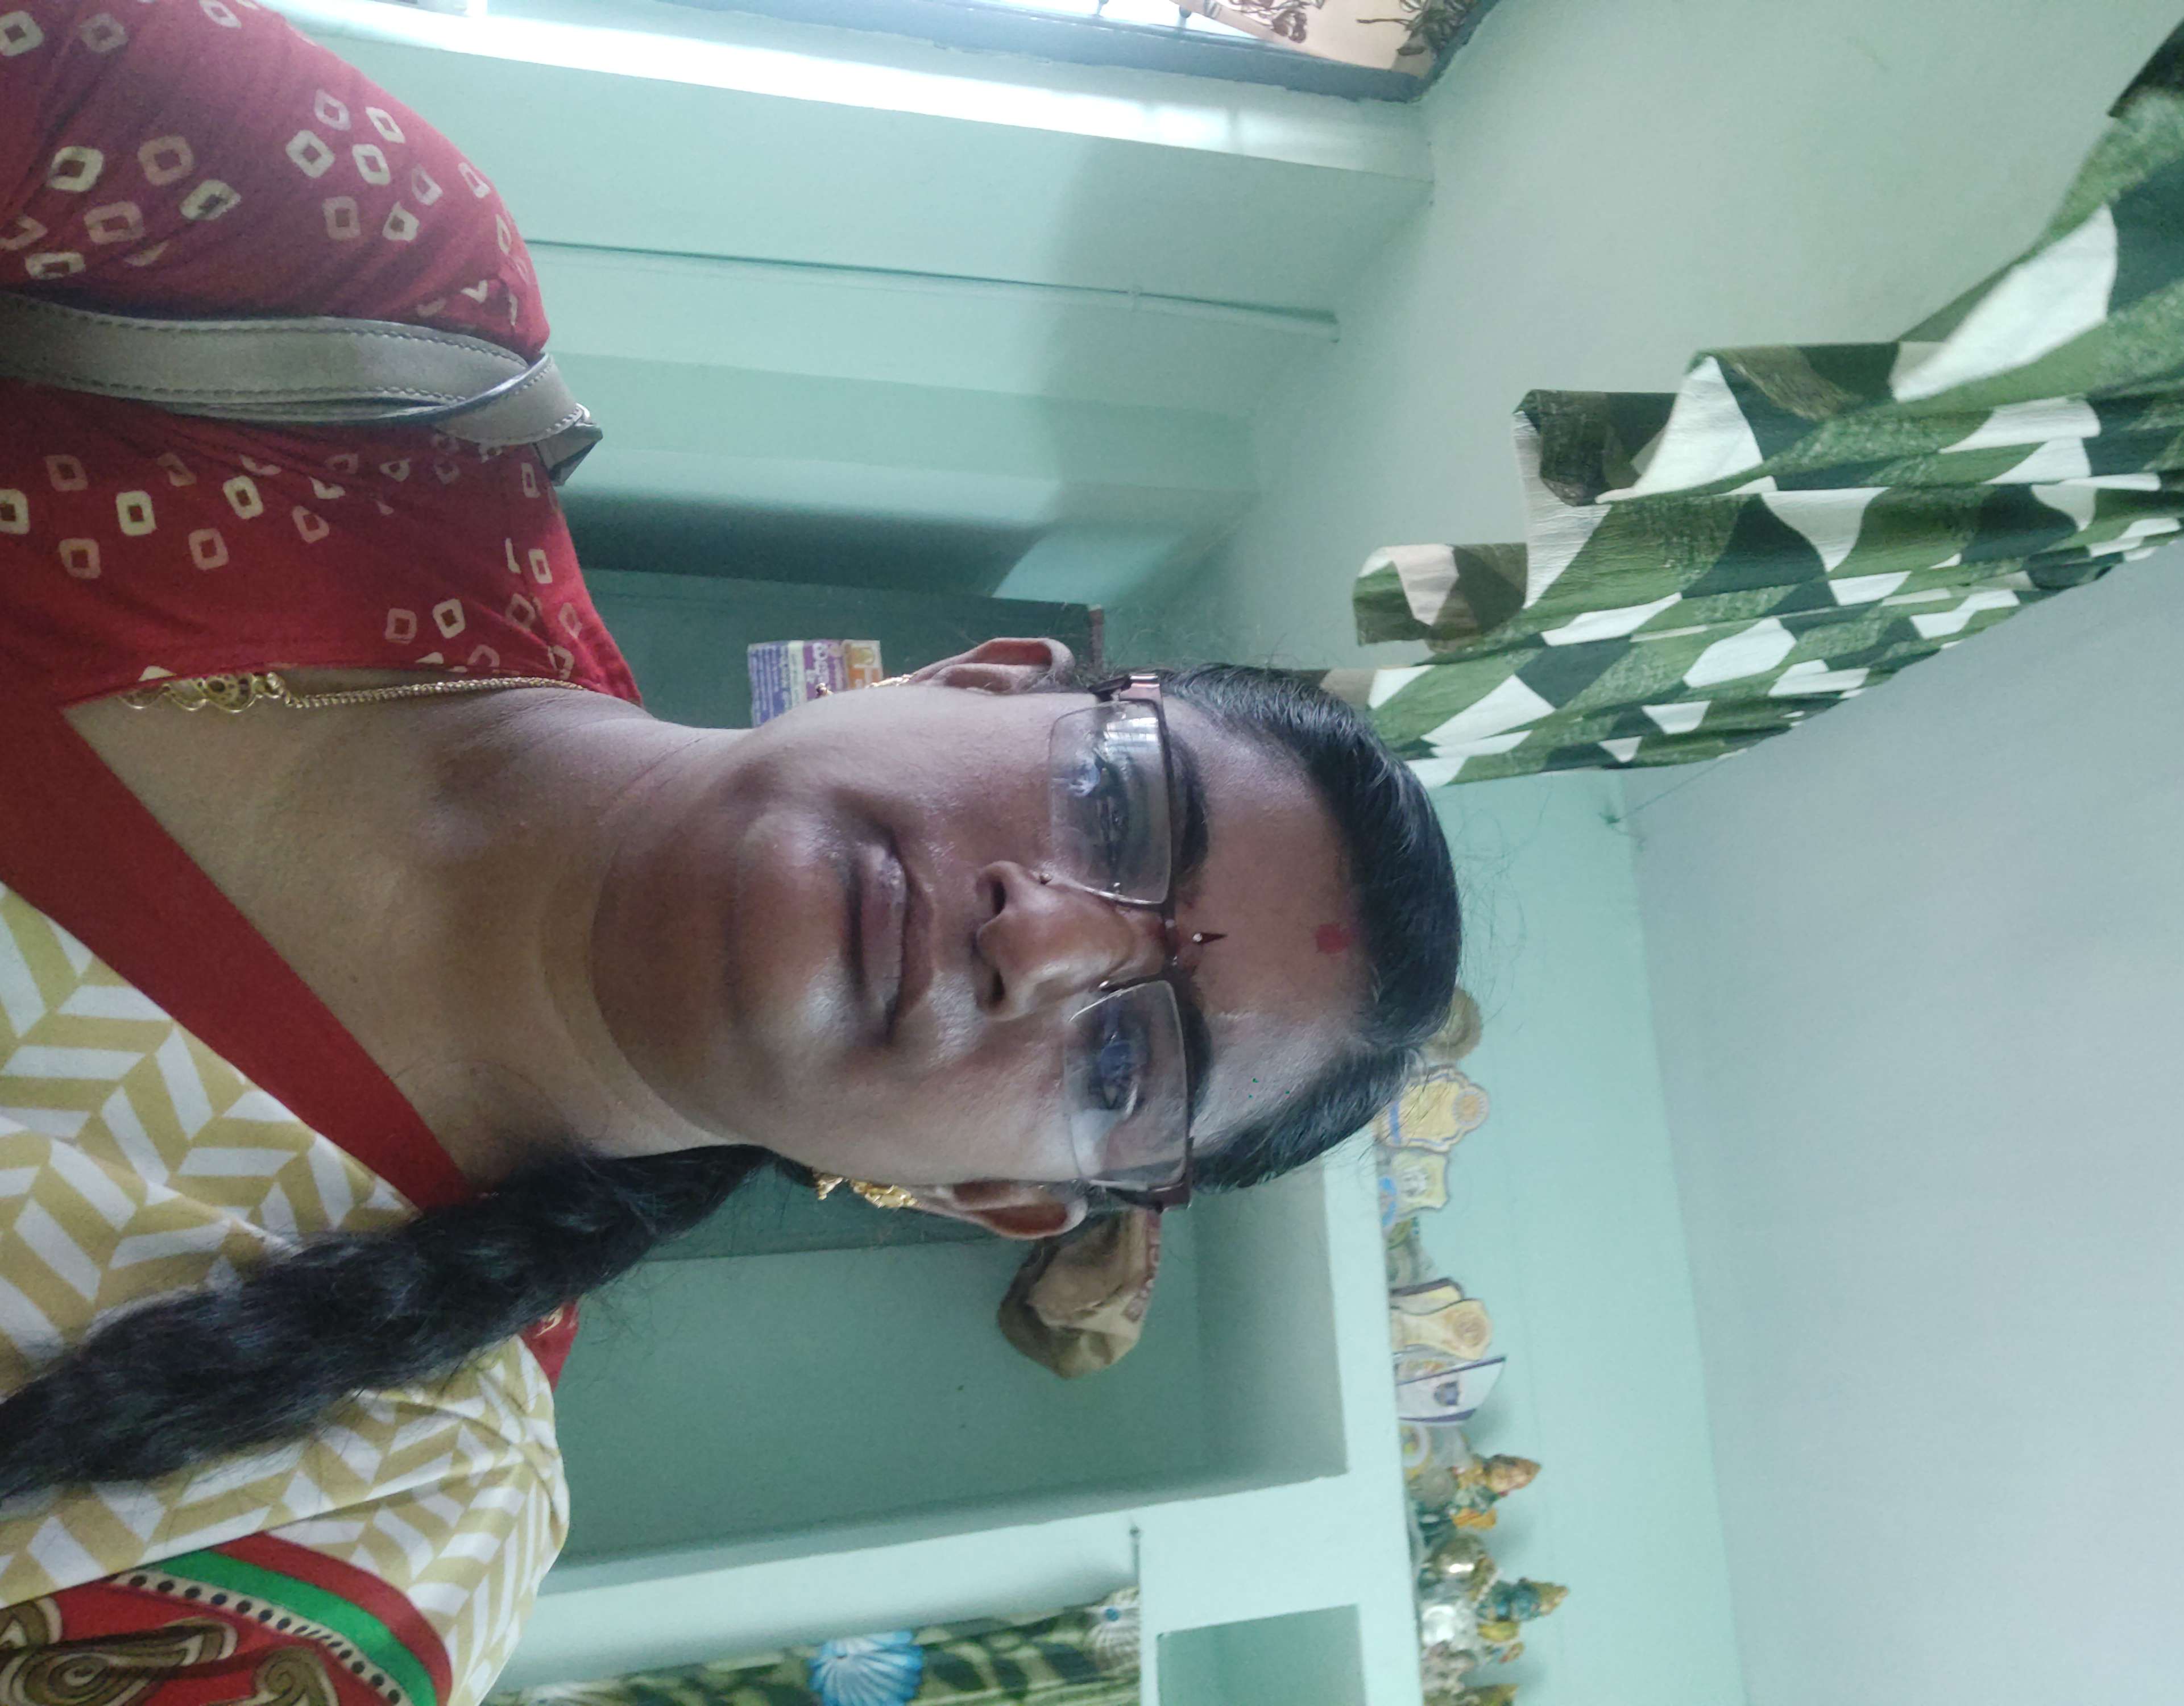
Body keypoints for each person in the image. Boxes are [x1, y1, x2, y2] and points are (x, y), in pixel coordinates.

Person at [0, 3, 1460, 1701]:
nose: (1044, 939)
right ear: (980, 677)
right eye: (1117, 809)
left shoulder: (383, 1518)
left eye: (1126, 1060)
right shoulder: (356, 317)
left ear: (984, 1197)